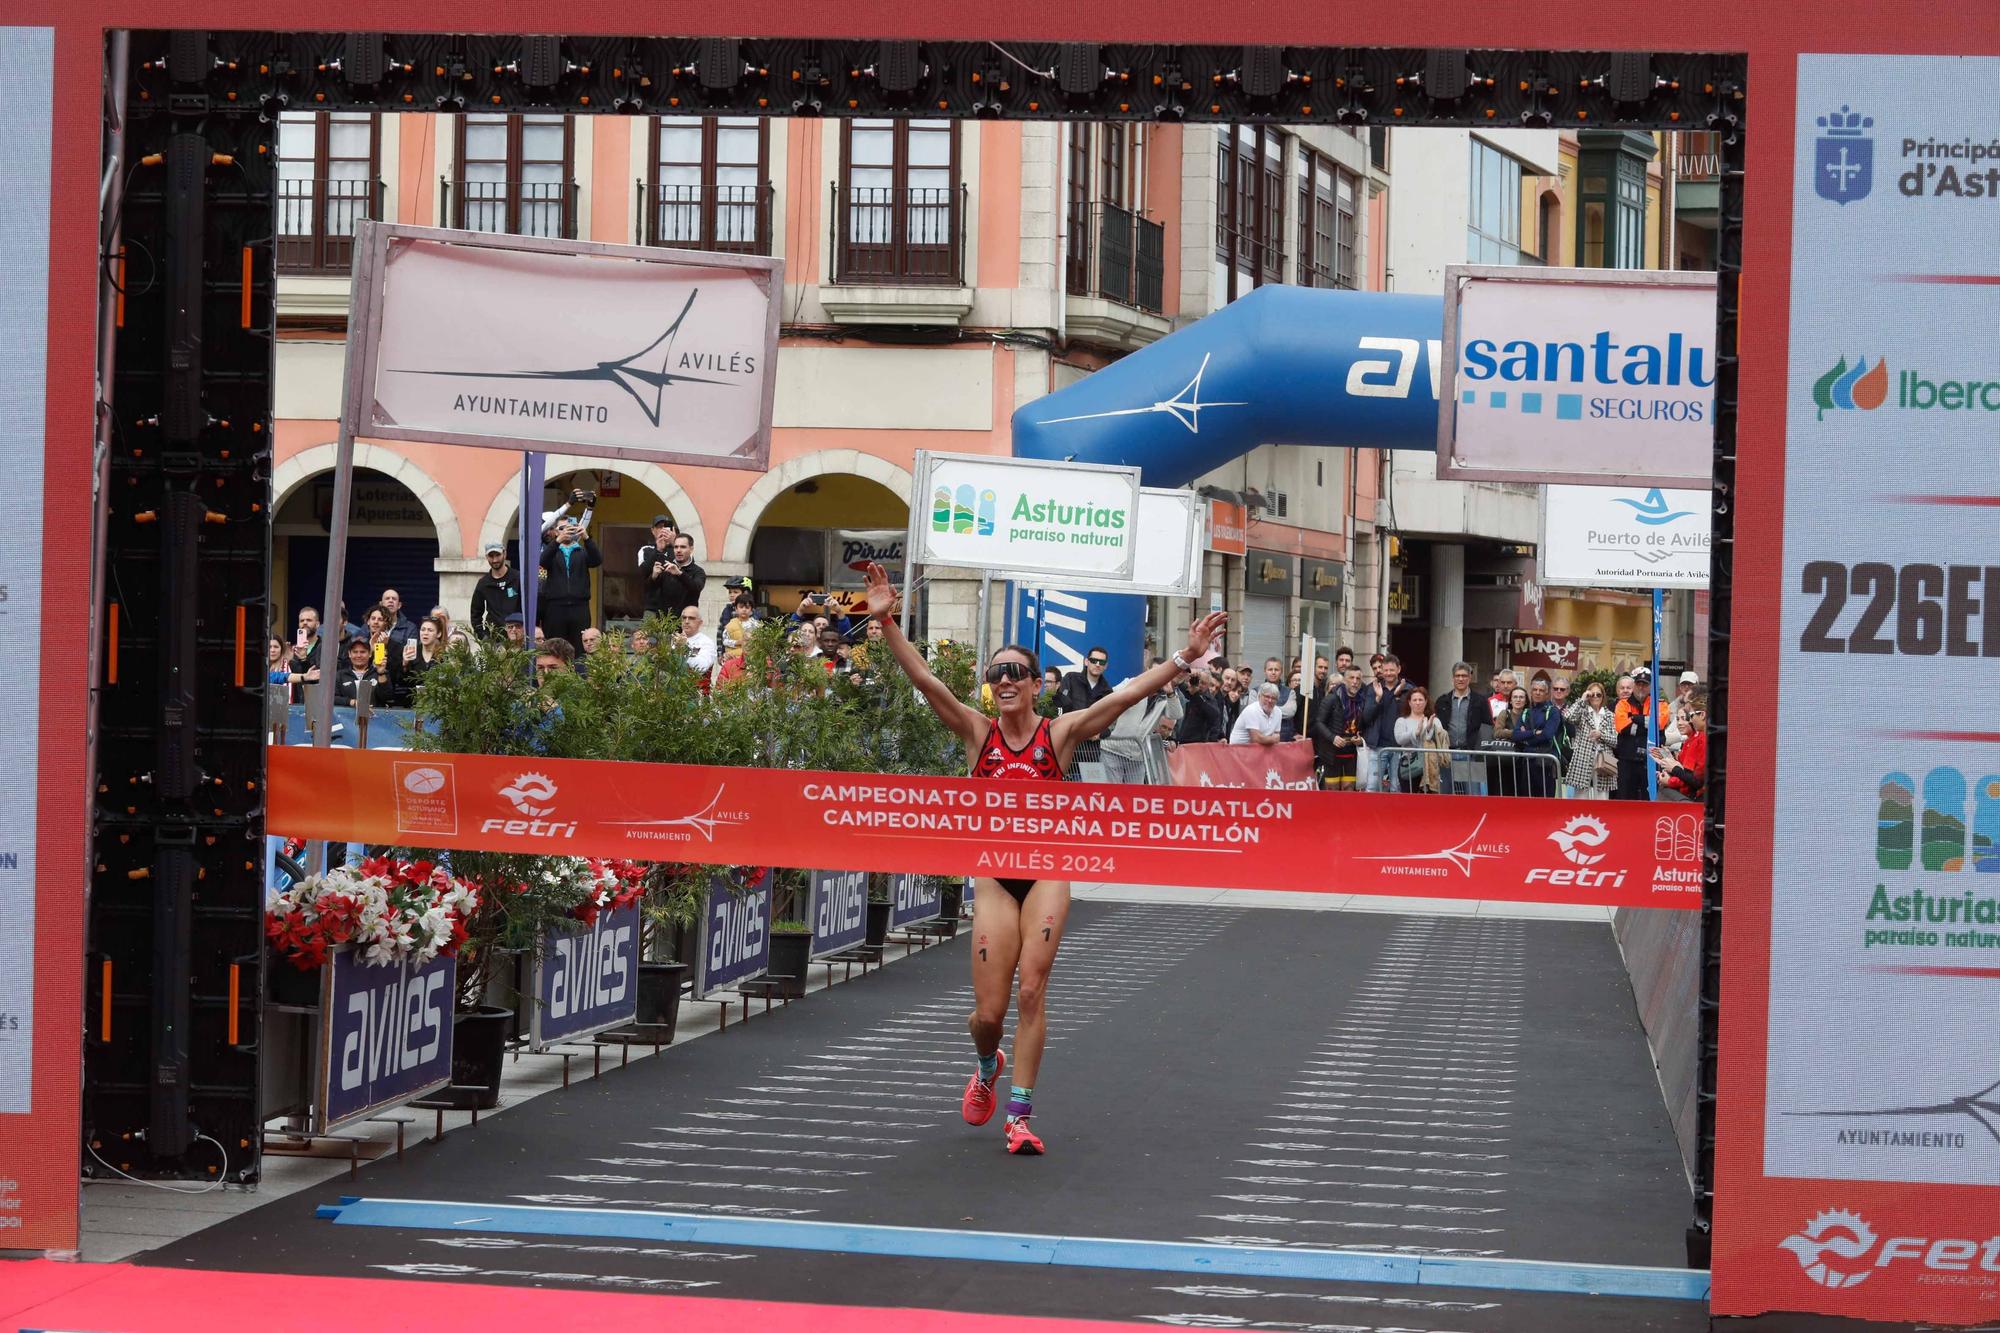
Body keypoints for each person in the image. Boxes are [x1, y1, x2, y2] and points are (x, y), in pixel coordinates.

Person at [857, 559, 1226, 1156]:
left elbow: (1130, 692)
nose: (1004, 681)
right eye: (996, 673)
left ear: (1036, 684)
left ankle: (1019, 1116)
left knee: (1032, 991)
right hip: (996, 880)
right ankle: (986, 1066)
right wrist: (889, 623)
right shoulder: (980, 734)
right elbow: (926, 682)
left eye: (1016, 673)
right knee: (988, 1012)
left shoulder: (1060, 733)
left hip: (1049, 870)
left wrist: (1183, 657)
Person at [1100, 660, 1182, 784]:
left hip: (1138, 755)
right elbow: (1109, 697)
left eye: (1161, 673)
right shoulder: (1132, 683)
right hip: (1113, 749)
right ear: (1147, 671)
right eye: (1154, 672)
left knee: (1134, 798)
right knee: (1111, 795)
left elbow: (1176, 715)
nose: (1157, 676)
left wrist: (1170, 691)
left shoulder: (1164, 698)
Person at [538, 517, 602, 653]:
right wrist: (558, 541)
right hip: (555, 607)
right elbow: (543, 561)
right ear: (555, 532)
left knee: (580, 647)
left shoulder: (582, 552)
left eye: (569, 528)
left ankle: (579, 673)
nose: (566, 531)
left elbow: (597, 560)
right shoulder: (553, 550)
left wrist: (586, 537)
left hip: (579, 607)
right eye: (562, 528)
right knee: (554, 647)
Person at [1357, 653, 1413, 792]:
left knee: (1396, 788)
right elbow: (1366, 717)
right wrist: (1379, 699)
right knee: (1372, 787)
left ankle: (1395, 814)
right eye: (1385, 670)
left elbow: (1413, 714)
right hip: (1377, 746)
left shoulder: (1408, 689)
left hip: (1399, 748)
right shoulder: (1373, 688)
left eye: (1391, 670)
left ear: (1398, 669)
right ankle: (1371, 814)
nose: (1388, 673)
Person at [1434, 660, 1491, 794]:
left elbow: (1487, 726)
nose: (1461, 679)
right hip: (1447, 754)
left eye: (1464, 676)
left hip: (1471, 754)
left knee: (1473, 796)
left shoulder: (1480, 701)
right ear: (1453, 678)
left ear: (1470, 678)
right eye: (1457, 675)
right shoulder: (1442, 700)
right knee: (1446, 796)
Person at [1310, 662, 1367, 790]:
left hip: (1351, 751)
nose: (1355, 682)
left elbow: (1364, 724)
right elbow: (1319, 722)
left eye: (1358, 678)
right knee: (1332, 789)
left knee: (1349, 787)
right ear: (1344, 680)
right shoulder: (1332, 698)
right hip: (1332, 751)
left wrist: (1360, 739)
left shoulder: (1362, 700)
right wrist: (1332, 737)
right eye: (1351, 678)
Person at [1509, 672, 1563, 798]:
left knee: (1545, 803)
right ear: (1531, 692)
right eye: (1535, 690)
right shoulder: (1526, 712)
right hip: (1527, 762)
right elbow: (1515, 735)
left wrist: (1526, 738)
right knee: (1526, 802)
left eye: (1541, 690)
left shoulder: (1553, 712)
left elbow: (1547, 735)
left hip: (1545, 763)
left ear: (1547, 693)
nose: (1537, 693)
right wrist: (1533, 733)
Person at [1562, 681, 1619, 799]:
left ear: (1603, 697)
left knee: (1602, 796)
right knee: (1580, 796)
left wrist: (1601, 735)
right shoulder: (1582, 712)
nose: (1595, 697)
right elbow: (1568, 716)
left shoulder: (1610, 715)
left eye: (1598, 695)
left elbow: (1616, 740)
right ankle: (1580, 817)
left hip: (1604, 759)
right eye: (1592, 694)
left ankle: (1601, 817)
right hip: (1583, 757)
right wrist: (1582, 699)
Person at [1614, 669, 1661, 800]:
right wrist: (1647, 722)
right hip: (1627, 760)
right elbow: (1622, 727)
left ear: (1650, 686)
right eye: (1639, 684)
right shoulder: (1623, 704)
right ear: (1634, 685)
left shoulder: (1659, 703)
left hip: (1650, 761)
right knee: (1625, 799)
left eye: (1645, 685)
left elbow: (1659, 724)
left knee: (1649, 800)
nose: (1641, 687)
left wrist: (1635, 718)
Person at [1393, 687, 1450, 793]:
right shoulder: (1402, 721)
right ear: (1409, 702)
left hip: (1431, 766)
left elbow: (1440, 741)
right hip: (1410, 766)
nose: (1418, 703)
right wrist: (1416, 732)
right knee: (1410, 799)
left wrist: (1429, 729)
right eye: (1414, 700)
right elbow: (1399, 739)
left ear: (1426, 702)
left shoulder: (1435, 720)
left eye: (1420, 700)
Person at [1652, 695, 1707, 802]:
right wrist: (1670, 762)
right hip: (1698, 795)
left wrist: (1670, 777)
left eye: (1689, 717)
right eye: (1677, 719)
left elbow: (1695, 780)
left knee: (1664, 791)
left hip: (1699, 798)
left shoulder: (1700, 739)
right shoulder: (1691, 741)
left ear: (1702, 715)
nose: (1680, 723)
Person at [390, 614, 447, 706]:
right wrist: (404, 664)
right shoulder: (410, 652)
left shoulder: (444, 656)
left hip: (436, 706)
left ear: (438, 634)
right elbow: (400, 683)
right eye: (423, 629)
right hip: (411, 705)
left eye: (430, 630)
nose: (425, 633)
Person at [470, 543, 521, 638]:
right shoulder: (483, 583)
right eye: (491, 556)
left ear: (504, 554)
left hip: (517, 635)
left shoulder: (518, 578)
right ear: (486, 557)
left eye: (498, 555)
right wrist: (483, 635)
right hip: (494, 638)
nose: (495, 560)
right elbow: (475, 613)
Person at [1492, 685, 1530, 797]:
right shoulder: (1504, 713)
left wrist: (1509, 732)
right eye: (1515, 697)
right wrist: (1517, 733)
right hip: (1507, 759)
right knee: (1506, 790)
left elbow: (1534, 733)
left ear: (1526, 700)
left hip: (1525, 759)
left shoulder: (1530, 715)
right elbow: (1497, 733)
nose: (1518, 700)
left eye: (1521, 697)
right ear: (1511, 700)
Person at [1054, 646, 1113, 715]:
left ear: (1106, 666)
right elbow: (1060, 706)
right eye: (1093, 661)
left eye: (1101, 662)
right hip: (1069, 724)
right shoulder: (1070, 679)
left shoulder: (1107, 692)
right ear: (1086, 662)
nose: (1097, 664)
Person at [1175, 670, 1228, 744]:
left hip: (1195, 744)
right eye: (1198, 681)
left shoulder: (1210, 700)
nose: (1199, 685)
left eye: (1203, 683)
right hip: (1176, 740)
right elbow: (1176, 682)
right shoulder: (1184, 690)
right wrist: (1187, 676)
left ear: (1207, 686)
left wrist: (1196, 695)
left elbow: (1214, 715)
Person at [1230, 681, 1285, 747]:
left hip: (1260, 750)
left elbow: (1277, 736)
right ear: (1259, 696)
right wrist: (1273, 739)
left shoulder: (1278, 712)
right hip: (1239, 750)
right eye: (1267, 697)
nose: (1270, 700)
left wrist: (1268, 739)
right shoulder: (1251, 710)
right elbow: (1256, 739)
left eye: (1273, 698)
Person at [332, 635, 380, 707]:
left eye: (363, 652)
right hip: (346, 717)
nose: (359, 655)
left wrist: (382, 673)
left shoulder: (378, 673)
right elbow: (331, 698)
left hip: (375, 716)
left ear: (370, 654)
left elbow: (387, 697)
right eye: (355, 652)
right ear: (349, 654)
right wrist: (351, 702)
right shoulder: (340, 675)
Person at [1261, 658, 1300, 741]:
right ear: (1265, 671)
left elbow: (1290, 712)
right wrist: (1279, 710)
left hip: (1284, 739)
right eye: (1270, 669)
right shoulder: (1255, 691)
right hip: (1262, 739)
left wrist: (1265, 710)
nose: (1273, 672)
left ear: (1281, 672)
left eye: (1276, 670)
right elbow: (1254, 713)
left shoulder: (1290, 692)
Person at [677, 606, 718, 677]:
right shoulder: (673, 639)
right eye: (684, 618)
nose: (686, 621)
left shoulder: (706, 642)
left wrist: (685, 648)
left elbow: (701, 668)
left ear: (700, 622)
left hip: (694, 687)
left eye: (691, 618)